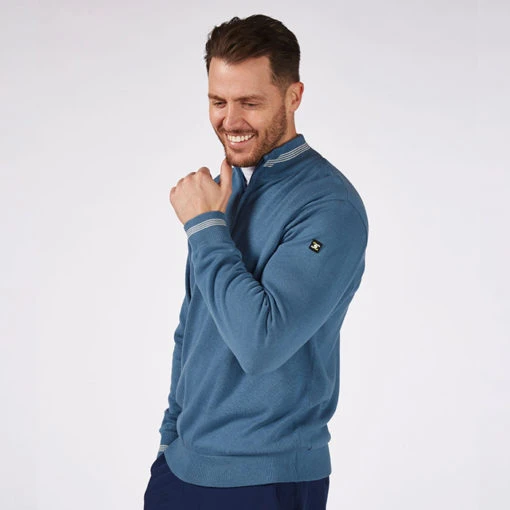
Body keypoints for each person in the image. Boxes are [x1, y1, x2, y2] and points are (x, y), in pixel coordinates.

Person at [144, 14, 368, 510]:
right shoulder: (227, 193)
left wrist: (204, 228)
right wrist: (170, 442)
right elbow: (193, 329)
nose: (230, 121)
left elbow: (261, 343)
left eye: (250, 103)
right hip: (181, 472)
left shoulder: (329, 207)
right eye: (218, 101)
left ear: (293, 96)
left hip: (266, 481)